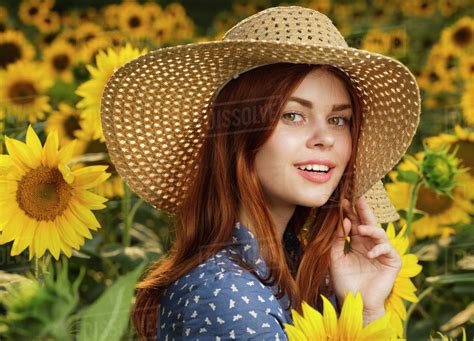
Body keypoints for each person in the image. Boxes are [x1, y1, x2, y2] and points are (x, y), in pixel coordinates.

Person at [100, 5, 421, 340]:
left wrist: (365, 310)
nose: (325, 138)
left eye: (338, 119)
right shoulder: (224, 296)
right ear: (240, 134)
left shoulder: (293, 272)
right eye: (293, 115)